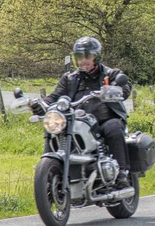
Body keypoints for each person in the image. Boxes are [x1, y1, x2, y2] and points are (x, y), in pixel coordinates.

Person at [32, 37, 133, 190]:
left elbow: (125, 86)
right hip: (77, 121)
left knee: (114, 127)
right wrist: (40, 105)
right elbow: (55, 96)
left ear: (96, 57)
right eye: (79, 57)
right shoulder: (69, 78)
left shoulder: (110, 74)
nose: (83, 61)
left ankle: (122, 174)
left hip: (103, 121)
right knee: (54, 129)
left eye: (87, 56)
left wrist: (115, 90)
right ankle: (49, 176)